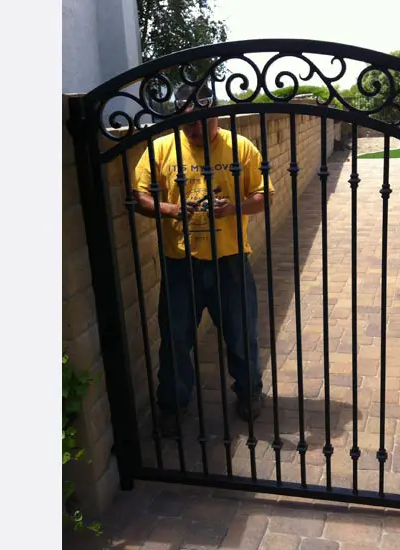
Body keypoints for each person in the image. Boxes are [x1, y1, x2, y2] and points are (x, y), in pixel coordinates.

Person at [133, 83, 273, 437]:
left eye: (199, 120)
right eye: (186, 122)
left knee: (242, 334)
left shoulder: (240, 146)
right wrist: (171, 209)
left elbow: (263, 195)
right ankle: (173, 404)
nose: (193, 128)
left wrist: (233, 209)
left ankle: (249, 391)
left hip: (230, 261)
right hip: (181, 264)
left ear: (215, 115)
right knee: (176, 338)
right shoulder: (161, 148)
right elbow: (139, 196)